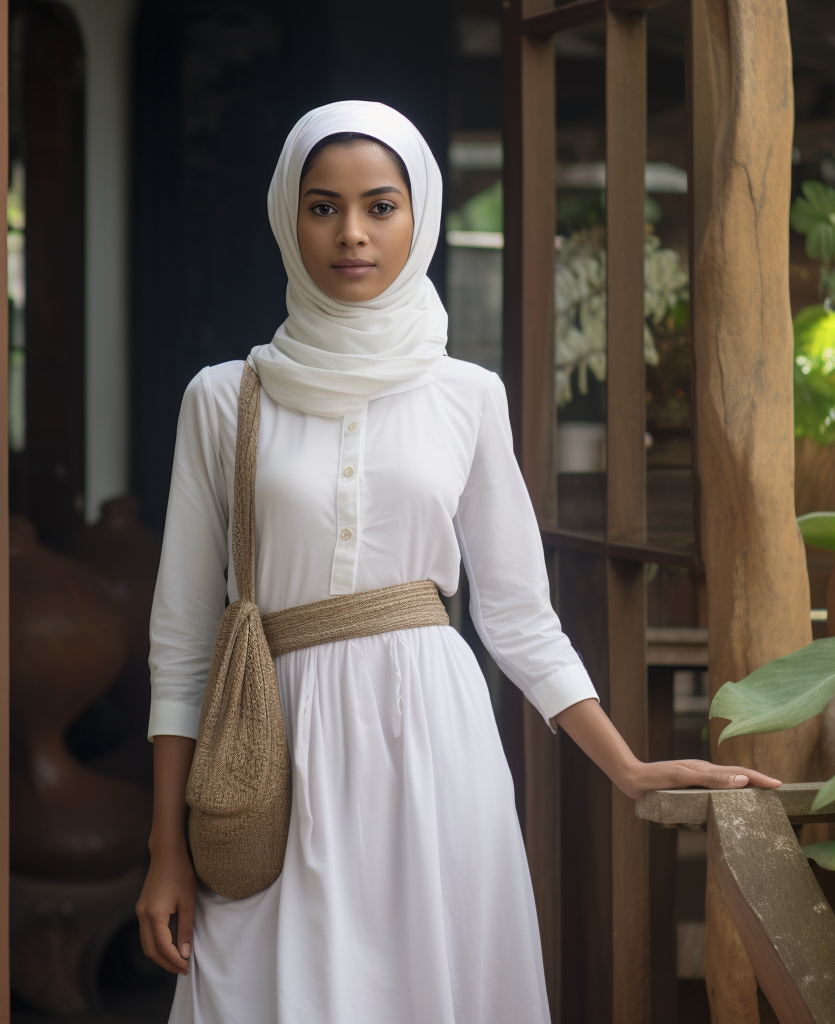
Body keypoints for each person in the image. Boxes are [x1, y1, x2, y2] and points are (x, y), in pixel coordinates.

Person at [135, 100, 777, 1024]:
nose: (351, 233)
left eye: (380, 206)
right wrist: (165, 850)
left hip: (430, 746)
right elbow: (184, 639)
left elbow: (517, 616)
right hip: (270, 759)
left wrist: (629, 768)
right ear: (288, 215)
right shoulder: (223, 399)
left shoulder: (467, 396)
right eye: (323, 207)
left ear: (420, 215)